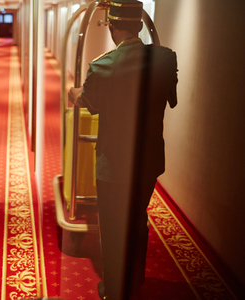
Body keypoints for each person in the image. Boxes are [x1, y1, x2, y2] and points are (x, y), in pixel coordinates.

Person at [68, 0, 178, 298]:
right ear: (140, 25)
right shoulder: (166, 60)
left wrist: (73, 92)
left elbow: (88, 102)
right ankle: (134, 282)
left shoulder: (102, 65)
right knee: (138, 220)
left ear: (112, 27)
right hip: (149, 160)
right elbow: (172, 99)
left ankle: (116, 288)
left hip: (113, 162)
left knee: (114, 226)